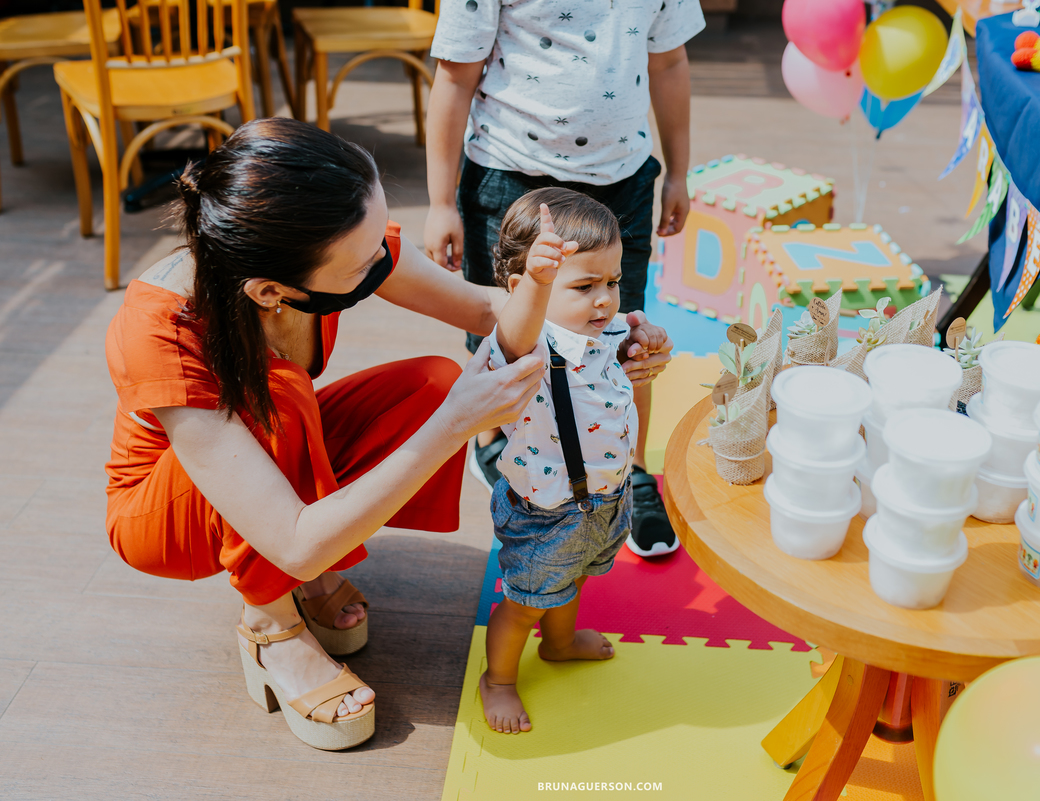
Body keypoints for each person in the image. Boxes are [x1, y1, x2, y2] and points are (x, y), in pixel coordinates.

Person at [103, 118, 671, 750]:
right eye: (367, 258)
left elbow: (488, 309)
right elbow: (292, 542)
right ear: (271, 292)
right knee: (287, 400)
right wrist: (456, 422)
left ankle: (304, 581)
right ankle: (273, 625)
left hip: (273, 443)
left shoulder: (329, 239)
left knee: (431, 380)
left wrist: (610, 333)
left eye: (381, 237)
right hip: (163, 517)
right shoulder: (163, 335)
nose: (387, 259)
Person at [423, 0, 704, 557]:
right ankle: (495, 442)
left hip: (620, 182)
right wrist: (439, 201)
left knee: (624, 333)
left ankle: (632, 469)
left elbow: (669, 64)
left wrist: (678, 173)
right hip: (510, 178)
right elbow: (455, 77)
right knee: (506, 332)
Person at [479, 188, 670, 734]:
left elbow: (635, 334)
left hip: (603, 499)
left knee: (575, 579)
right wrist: (539, 285)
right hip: (545, 510)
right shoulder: (527, 341)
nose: (604, 299)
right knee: (524, 604)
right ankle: (498, 680)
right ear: (523, 288)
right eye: (583, 286)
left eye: (611, 281)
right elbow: (514, 331)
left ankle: (559, 644)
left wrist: (648, 336)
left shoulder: (605, 326)